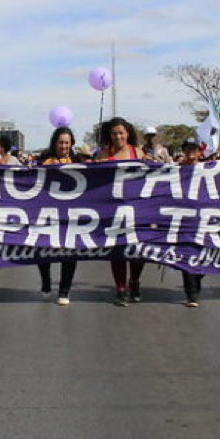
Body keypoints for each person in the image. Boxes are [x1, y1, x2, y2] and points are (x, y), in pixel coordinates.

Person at [97, 117, 147, 306]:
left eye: (121, 133)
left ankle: (134, 282)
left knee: (137, 250)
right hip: (113, 210)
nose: (118, 136)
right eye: (114, 133)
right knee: (118, 250)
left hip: (137, 209)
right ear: (109, 136)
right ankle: (121, 288)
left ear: (127, 134)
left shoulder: (138, 153)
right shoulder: (103, 155)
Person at [36, 127, 79, 305]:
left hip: (71, 216)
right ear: (55, 143)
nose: (64, 146)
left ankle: (64, 289)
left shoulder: (78, 161)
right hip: (48, 215)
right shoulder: (44, 161)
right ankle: (46, 282)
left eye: (67, 143)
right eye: (61, 142)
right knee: (43, 249)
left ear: (71, 144)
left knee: (70, 252)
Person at [179, 137, 208, 306]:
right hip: (183, 220)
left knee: (203, 256)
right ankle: (192, 294)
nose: (191, 152)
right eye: (188, 148)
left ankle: (196, 279)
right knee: (186, 255)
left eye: (194, 148)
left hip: (203, 219)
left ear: (200, 152)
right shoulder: (176, 170)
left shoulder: (208, 170)